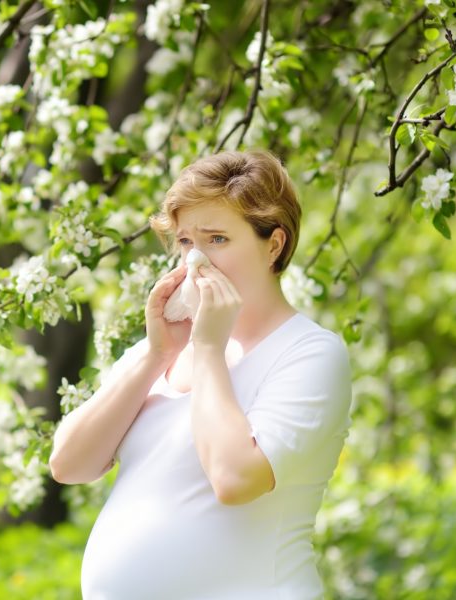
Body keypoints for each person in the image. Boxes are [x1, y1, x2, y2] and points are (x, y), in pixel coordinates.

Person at [48, 149, 353, 599]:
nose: (196, 261)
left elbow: (234, 479)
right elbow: (68, 464)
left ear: (274, 245)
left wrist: (208, 348)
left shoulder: (310, 354)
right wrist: (157, 354)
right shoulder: (160, 348)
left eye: (218, 239)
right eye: (187, 242)